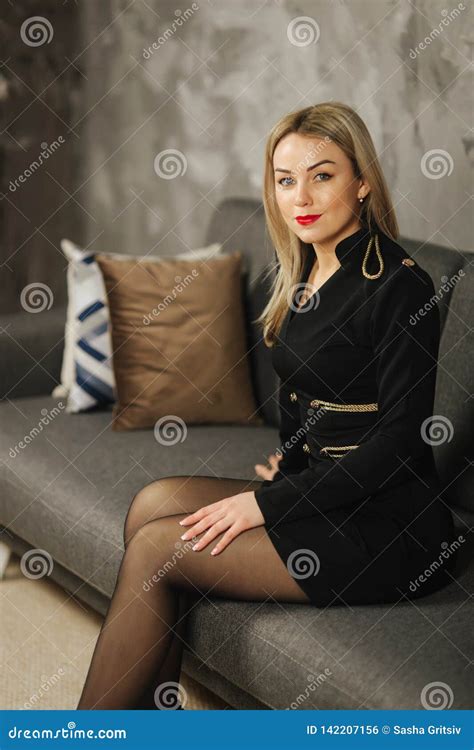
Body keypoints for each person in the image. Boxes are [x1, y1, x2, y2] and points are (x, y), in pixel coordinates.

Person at [77, 101, 457, 710]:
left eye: (322, 174)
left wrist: (267, 505)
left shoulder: (399, 284)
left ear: (361, 182)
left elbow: (398, 443)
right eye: (285, 179)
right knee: (152, 504)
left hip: (389, 527)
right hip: (325, 492)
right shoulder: (303, 267)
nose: (300, 195)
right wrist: (290, 461)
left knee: (157, 546)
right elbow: (308, 390)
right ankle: (150, 722)